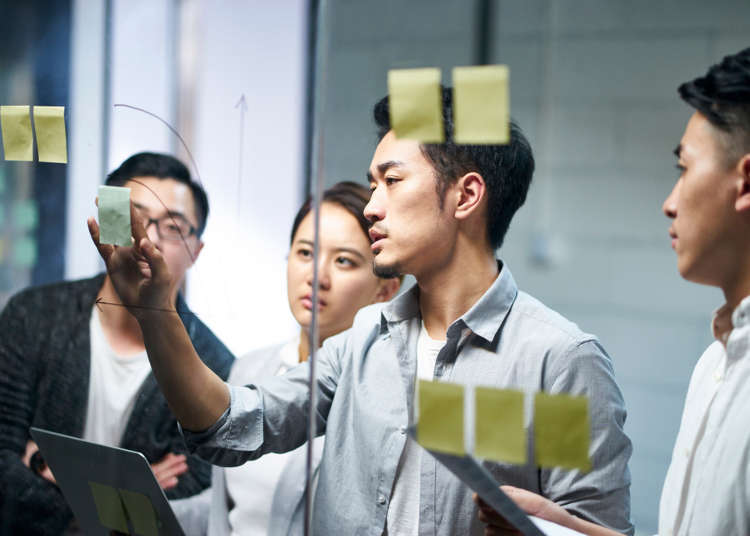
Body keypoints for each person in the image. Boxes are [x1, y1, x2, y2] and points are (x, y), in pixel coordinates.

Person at [89, 90, 634, 535]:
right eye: (373, 185)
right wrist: (156, 312)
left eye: (391, 181)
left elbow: (589, 526)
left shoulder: (557, 362)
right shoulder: (366, 341)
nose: (372, 206)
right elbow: (232, 427)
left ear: (466, 196)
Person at [476, 48, 750, 536]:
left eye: (684, 169)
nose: (669, 203)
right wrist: (568, 529)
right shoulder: (718, 363)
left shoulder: (564, 355)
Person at [0, 152, 235, 535]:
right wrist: (123, 496)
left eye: (173, 226)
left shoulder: (214, 366)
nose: (149, 237)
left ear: (196, 251)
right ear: (104, 222)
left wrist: (47, 467)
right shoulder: (33, 315)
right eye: (132, 218)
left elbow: (184, 503)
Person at [171, 181, 400, 535]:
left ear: (385, 290)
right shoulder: (250, 367)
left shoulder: (382, 397)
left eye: (343, 261)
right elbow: (231, 508)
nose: (316, 277)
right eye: (306, 253)